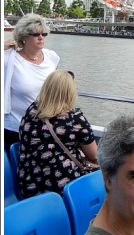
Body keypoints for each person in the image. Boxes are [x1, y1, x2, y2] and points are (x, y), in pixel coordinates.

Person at [18, 69, 97, 198]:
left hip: (28, 184)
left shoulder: (31, 111)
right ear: (70, 93)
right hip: (61, 188)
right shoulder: (75, 118)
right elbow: (94, 155)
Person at [4, 14, 59, 151]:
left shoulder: (51, 57)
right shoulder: (9, 60)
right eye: (35, 34)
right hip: (16, 129)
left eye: (44, 34)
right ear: (23, 37)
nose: (41, 37)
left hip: (45, 128)